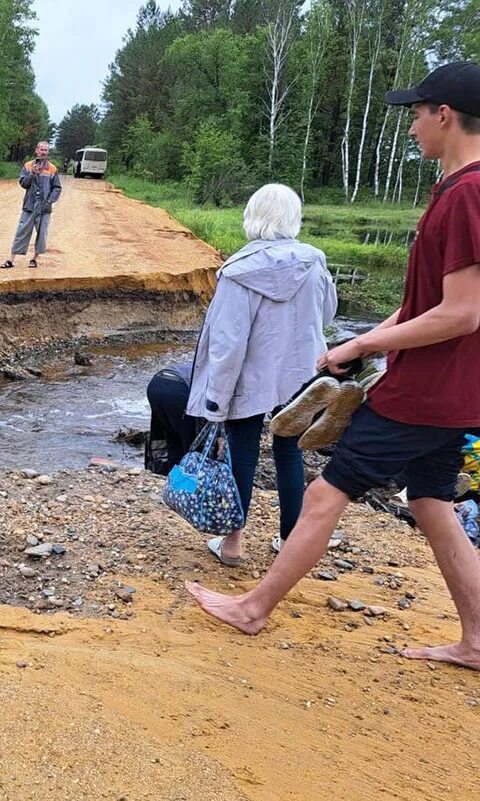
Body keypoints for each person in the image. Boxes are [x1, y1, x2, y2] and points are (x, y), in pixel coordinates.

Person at [187, 61, 480, 672]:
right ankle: (477, 639)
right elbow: (424, 302)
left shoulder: (467, 195)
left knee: (326, 494)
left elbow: (461, 313)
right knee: (432, 503)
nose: (411, 129)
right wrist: (370, 335)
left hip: (423, 390)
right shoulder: (455, 190)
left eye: (416, 114)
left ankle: (253, 607)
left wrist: (357, 349)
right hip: (454, 389)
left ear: (444, 115)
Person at [184, 184, 337, 566]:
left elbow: (226, 342)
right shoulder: (314, 262)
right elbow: (328, 315)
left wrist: (214, 401)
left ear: (252, 216)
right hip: (301, 372)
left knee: (242, 452)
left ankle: (232, 544)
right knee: (289, 452)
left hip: (248, 379)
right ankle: (290, 542)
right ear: (293, 218)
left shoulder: (238, 271)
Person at [1, 141, 61, 270]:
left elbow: (57, 188)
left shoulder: (52, 168)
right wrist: (32, 174)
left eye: (46, 150)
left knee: (41, 235)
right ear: (36, 150)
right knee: (21, 232)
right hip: (29, 206)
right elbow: (23, 183)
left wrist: (49, 201)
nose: (43, 152)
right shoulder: (28, 166)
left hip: (44, 209)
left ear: (48, 152)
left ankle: (34, 259)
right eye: (41, 149)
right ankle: (11, 260)